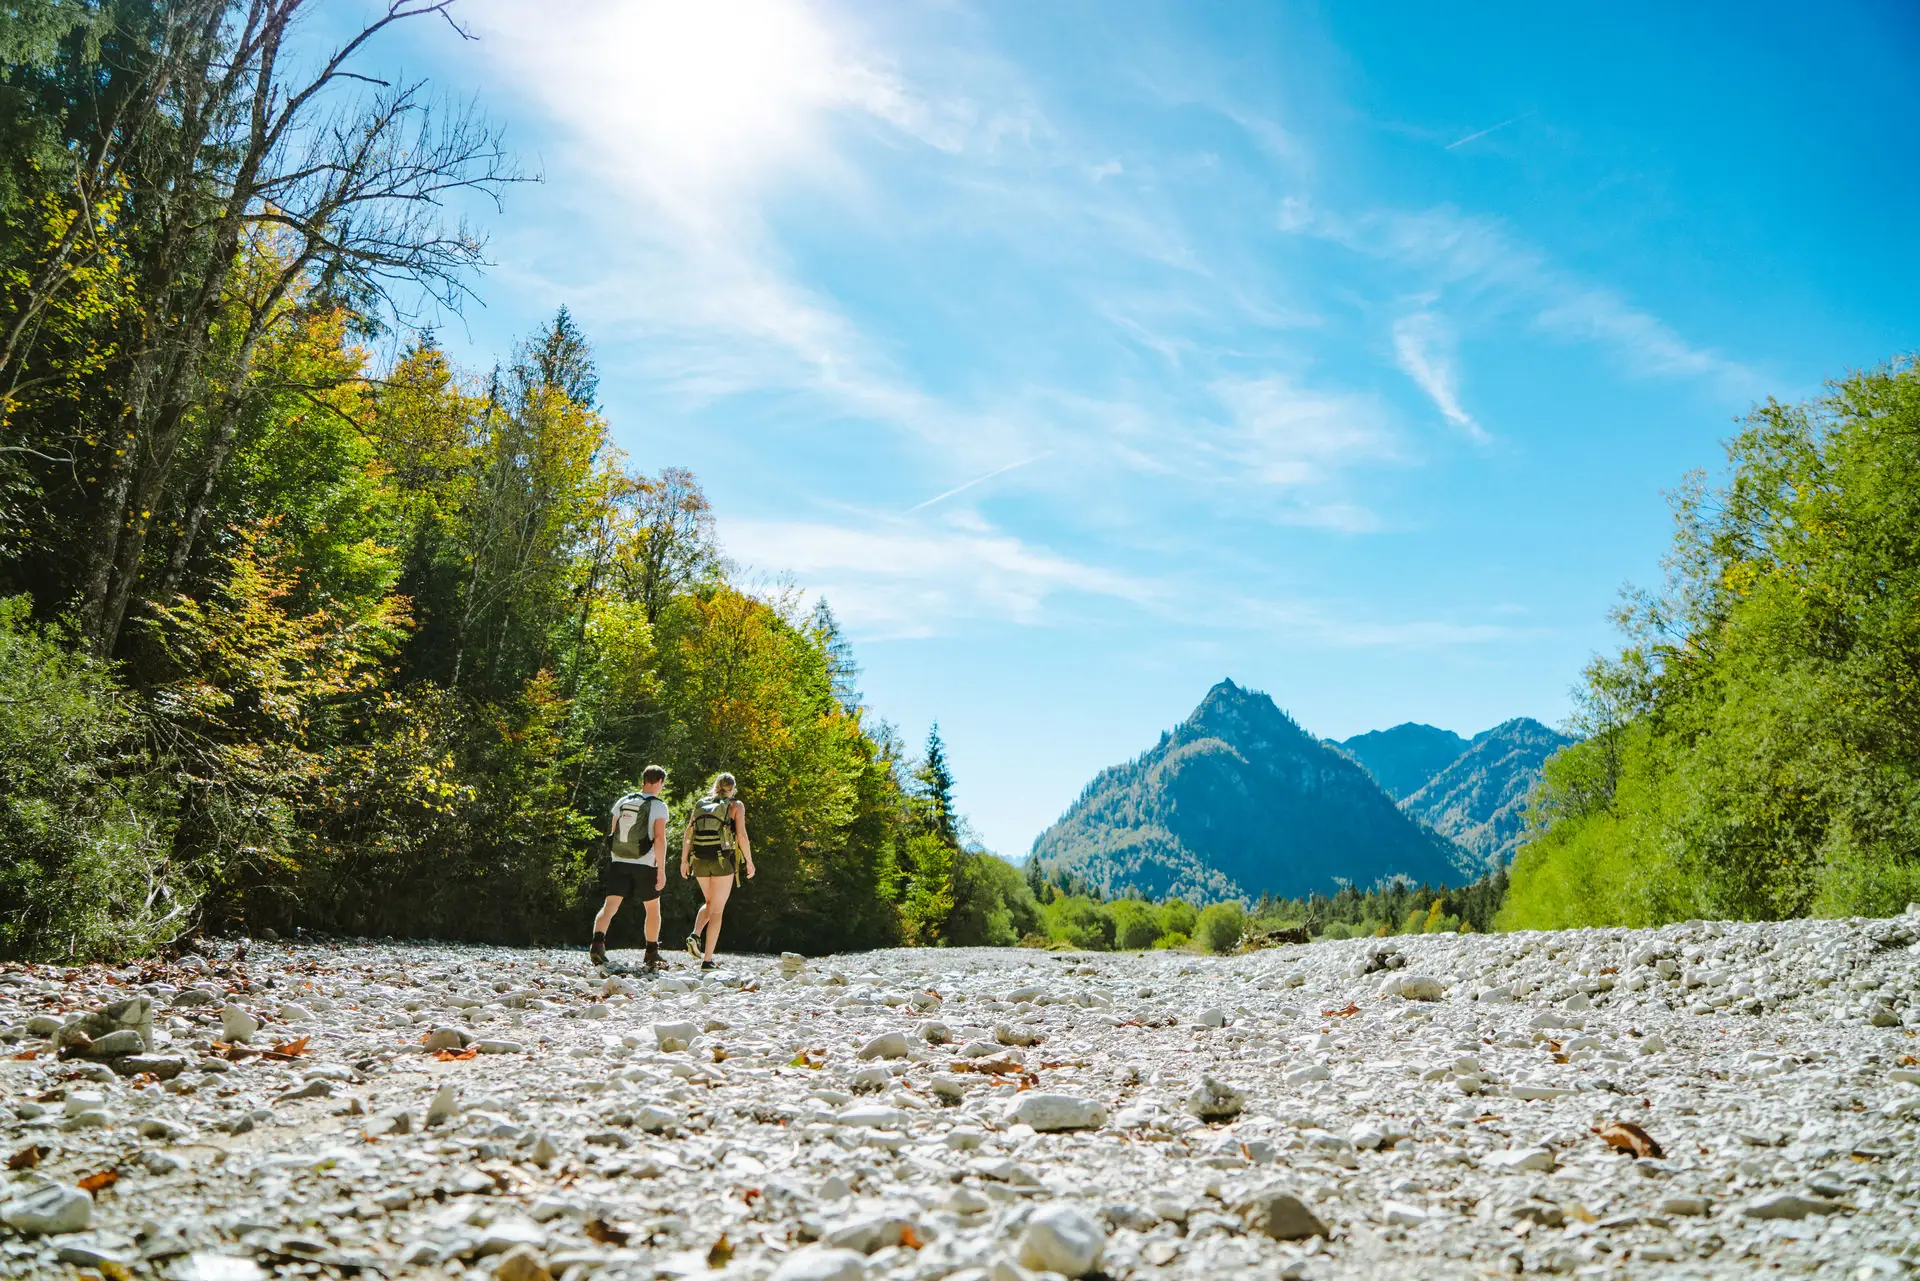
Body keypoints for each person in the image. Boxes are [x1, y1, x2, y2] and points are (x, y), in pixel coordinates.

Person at [590, 765, 669, 969]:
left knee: (610, 906)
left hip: (620, 860)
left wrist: (616, 856)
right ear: (659, 782)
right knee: (652, 908)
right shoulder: (658, 806)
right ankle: (651, 952)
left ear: (643, 779)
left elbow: (614, 832)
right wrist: (661, 869)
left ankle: (597, 945)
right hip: (645, 863)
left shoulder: (624, 801)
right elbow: (659, 839)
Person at [681, 772, 754, 969]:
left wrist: (684, 860)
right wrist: (749, 861)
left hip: (699, 860)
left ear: (715, 786)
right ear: (733, 788)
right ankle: (707, 960)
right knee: (718, 910)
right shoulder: (735, 806)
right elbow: (741, 836)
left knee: (710, 902)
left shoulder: (701, 804)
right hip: (723, 862)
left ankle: (695, 935)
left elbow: (688, 833)